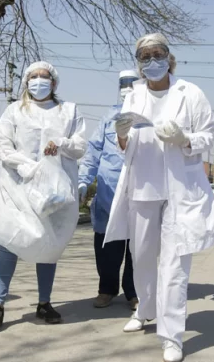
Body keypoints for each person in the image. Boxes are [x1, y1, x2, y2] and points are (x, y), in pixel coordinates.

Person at [103, 33, 214, 362]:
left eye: (158, 55)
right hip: (142, 185)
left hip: (180, 189)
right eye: (145, 57)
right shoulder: (134, 95)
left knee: (174, 264)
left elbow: (208, 135)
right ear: (138, 64)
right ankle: (145, 309)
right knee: (141, 256)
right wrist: (122, 134)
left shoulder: (191, 92)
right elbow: (122, 143)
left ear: (169, 58)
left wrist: (185, 138)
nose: (152, 61)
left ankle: (172, 336)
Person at [0, 61, 86, 328]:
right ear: (26, 82)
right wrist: (26, 166)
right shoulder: (15, 111)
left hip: (54, 190)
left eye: (44, 76)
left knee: (49, 244)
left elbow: (80, 146)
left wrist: (61, 144)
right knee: (9, 242)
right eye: (33, 77)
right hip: (18, 187)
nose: (39, 81)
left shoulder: (68, 111)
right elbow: (3, 146)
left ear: (54, 82)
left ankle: (44, 303)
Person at [78, 70, 140, 310]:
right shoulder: (108, 118)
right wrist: (84, 180)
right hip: (108, 193)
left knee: (137, 247)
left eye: (132, 84)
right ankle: (106, 289)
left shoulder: (148, 117)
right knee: (106, 246)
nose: (128, 88)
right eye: (124, 84)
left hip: (138, 191)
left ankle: (133, 292)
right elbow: (93, 152)